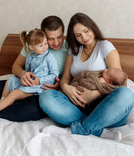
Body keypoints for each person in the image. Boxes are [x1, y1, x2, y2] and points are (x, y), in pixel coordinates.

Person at [39, 13, 134, 142]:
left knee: (126, 95)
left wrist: (94, 94)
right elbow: (66, 78)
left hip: (106, 109)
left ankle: (74, 129)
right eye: (78, 35)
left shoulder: (105, 46)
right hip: (78, 107)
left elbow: (119, 82)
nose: (84, 37)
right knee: (46, 96)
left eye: (86, 31)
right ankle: (95, 128)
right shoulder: (73, 50)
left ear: (92, 27)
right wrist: (67, 88)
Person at [0, 16, 67, 121]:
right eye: (51, 39)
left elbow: (71, 77)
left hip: (43, 90)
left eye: (59, 37)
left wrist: (60, 87)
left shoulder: (69, 48)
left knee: (28, 110)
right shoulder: (33, 44)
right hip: (23, 83)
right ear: (43, 35)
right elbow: (16, 66)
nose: (56, 42)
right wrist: (23, 74)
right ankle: (0, 105)